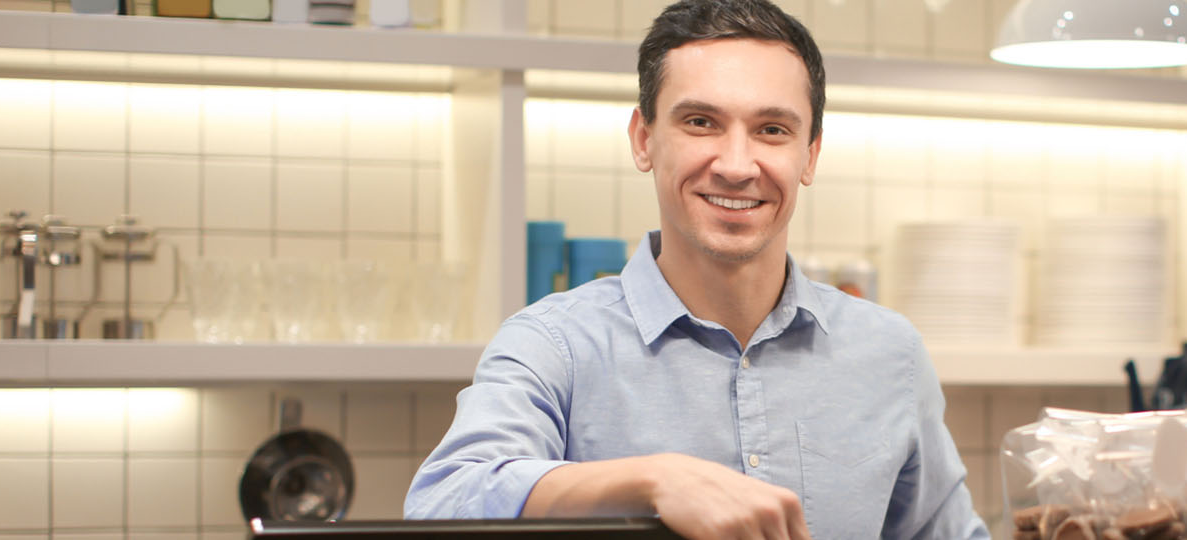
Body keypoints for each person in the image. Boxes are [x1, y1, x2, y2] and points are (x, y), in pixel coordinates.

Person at [403, 1, 991, 538]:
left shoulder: (891, 352)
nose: (736, 165)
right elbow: (441, 500)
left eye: (772, 130)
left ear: (809, 155)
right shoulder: (554, 343)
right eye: (700, 122)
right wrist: (653, 479)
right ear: (644, 139)